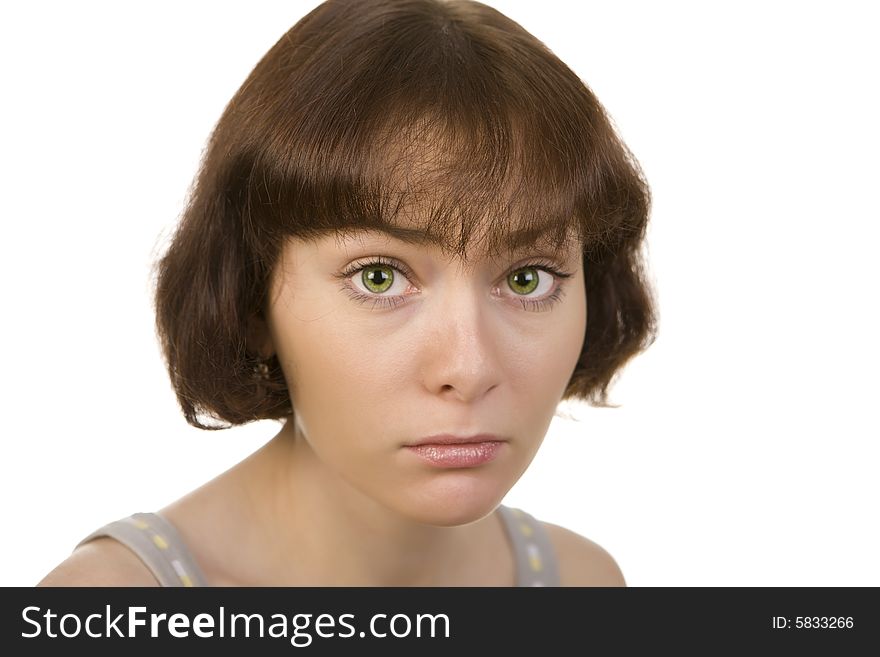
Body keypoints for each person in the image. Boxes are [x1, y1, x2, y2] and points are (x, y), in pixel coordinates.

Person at [38, 0, 656, 587]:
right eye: (379, 277)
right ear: (251, 300)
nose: (468, 368)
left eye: (528, 279)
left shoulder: (583, 585)